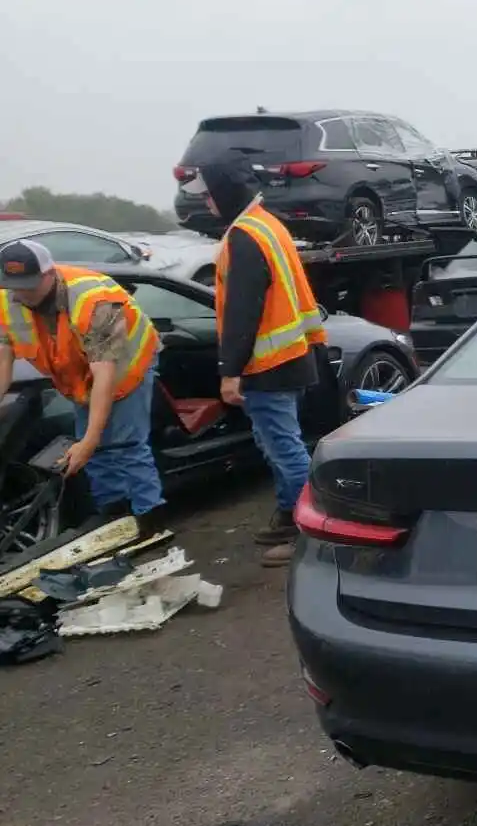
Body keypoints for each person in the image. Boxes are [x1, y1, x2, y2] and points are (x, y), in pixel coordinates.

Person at [180, 158, 327, 568]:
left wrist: (230, 371)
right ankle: (288, 514)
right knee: (280, 444)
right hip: (289, 357)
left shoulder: (244, 236)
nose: (206, 203)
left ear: (225, 194)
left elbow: (242, 311)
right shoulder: (267, 224)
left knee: (284, 449)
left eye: (209, 195)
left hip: (268, 365)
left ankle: (308, 533)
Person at [0, 238, 166, 529]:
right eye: (15, 285)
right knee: (94, 452)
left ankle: (148, 516)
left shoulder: (95, 300)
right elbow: (2, 360)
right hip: (78, 376)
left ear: (49, 274)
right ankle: (114, 514)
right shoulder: (5, 299)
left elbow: (105, 375)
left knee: (124, 445)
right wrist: (88, 443)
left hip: (125, 369)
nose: (22, 293)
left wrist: (89, 441)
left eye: (29, 284)